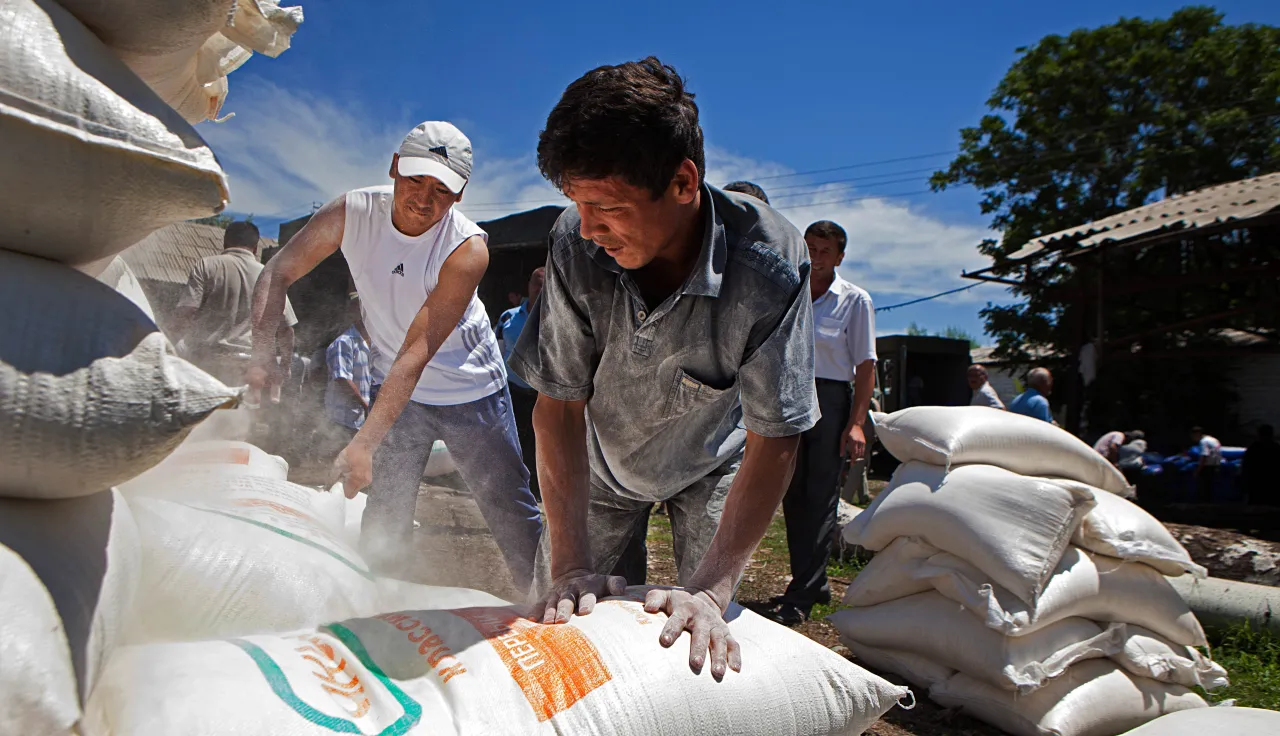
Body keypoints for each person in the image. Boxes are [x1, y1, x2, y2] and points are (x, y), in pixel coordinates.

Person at [512, 57, 817, 680]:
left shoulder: (769, 266)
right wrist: (569, 565)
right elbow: (559, 407)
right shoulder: (574, 243)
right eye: (577, 204)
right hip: (601, 464)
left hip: (710, 464)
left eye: (606, 207)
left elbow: (776, 434)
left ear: (682, 182)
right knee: (557, 626)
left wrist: (710, 589)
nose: (588, 228)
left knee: (703, 640)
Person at [246, 121, 542, 593]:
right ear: (394, 167)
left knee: (507, 504)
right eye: (415, 179)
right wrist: (261, 354)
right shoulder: (352, 213)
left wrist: (363, 443)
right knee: (386, 507)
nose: (423, 200)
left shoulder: (466, 248)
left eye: (441, 190)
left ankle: (544, 599)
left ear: (460, 194)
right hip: (396, 386)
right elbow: (278, 270)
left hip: (470, 391)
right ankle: (377, 600)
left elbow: (416, 353)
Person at [761, 220, 875, 627]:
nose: (817, 257)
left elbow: (865, 366)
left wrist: (856, 423)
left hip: (830, 400)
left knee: (820, 496)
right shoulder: (791, 292)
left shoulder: (854, 300)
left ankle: (801, 596)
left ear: (840, 257)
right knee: (792, 494)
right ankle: (811, 582)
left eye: (826, 251)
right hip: (791, 395)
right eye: (810, 248)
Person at [173, 220, 298, 387]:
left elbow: (187, 312)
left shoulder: (207, 265)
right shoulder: (269, 276)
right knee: (244, 404)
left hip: (208, 364)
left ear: (225, 242)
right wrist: (285, 366)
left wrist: (172, 344)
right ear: (255, 248)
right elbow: (286, 329)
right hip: (251, 370)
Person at [496, 267, 546, 499]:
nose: (539, 288)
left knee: (539, 445)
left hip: (541, 395)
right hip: (512, 392)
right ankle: (511, 488)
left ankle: (535, 492)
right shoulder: (508, 317)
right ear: (528, 285)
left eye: (544, 284)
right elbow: (497, 352)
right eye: (536, 282)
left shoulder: (558, 319)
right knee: (510, 441)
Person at [323, 293, 372, 450]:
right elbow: (342, 379)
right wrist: (365, 405)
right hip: (342, 420)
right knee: (339, 459)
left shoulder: (371, 344)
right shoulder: (344, 343)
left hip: (359, 420)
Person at [1242, 424, 1279, 505]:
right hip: (1272, 484)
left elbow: (1246, 466)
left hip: (1256, 483)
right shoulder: (1276, 448)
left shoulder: (1253, 448)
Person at [1188, 426, 1222, 503]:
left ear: (1197, 434)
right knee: (1211, 488)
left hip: (1207, 467)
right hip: (1216, 465)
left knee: (1204, 489)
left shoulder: (1203, 442)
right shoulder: (1214, 440)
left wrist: (1198, 470)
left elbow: (1204, 456)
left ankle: (1203, 504)